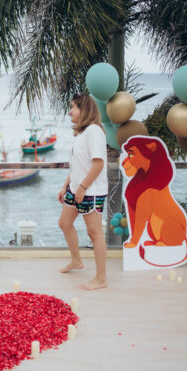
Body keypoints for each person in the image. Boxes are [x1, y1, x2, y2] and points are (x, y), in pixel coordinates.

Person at [58, 94, 108, 290]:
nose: (70, 111)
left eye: (73, 107)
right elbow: (78, 166)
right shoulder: (82, 133)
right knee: (64, 222)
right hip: (76, 188)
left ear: (84, 109)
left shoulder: (94, 131)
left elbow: (98, 164)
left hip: (90, 190)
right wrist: (65, 186)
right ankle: (77, 261)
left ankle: (101, 278)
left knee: (94, 233)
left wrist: (83, 188)